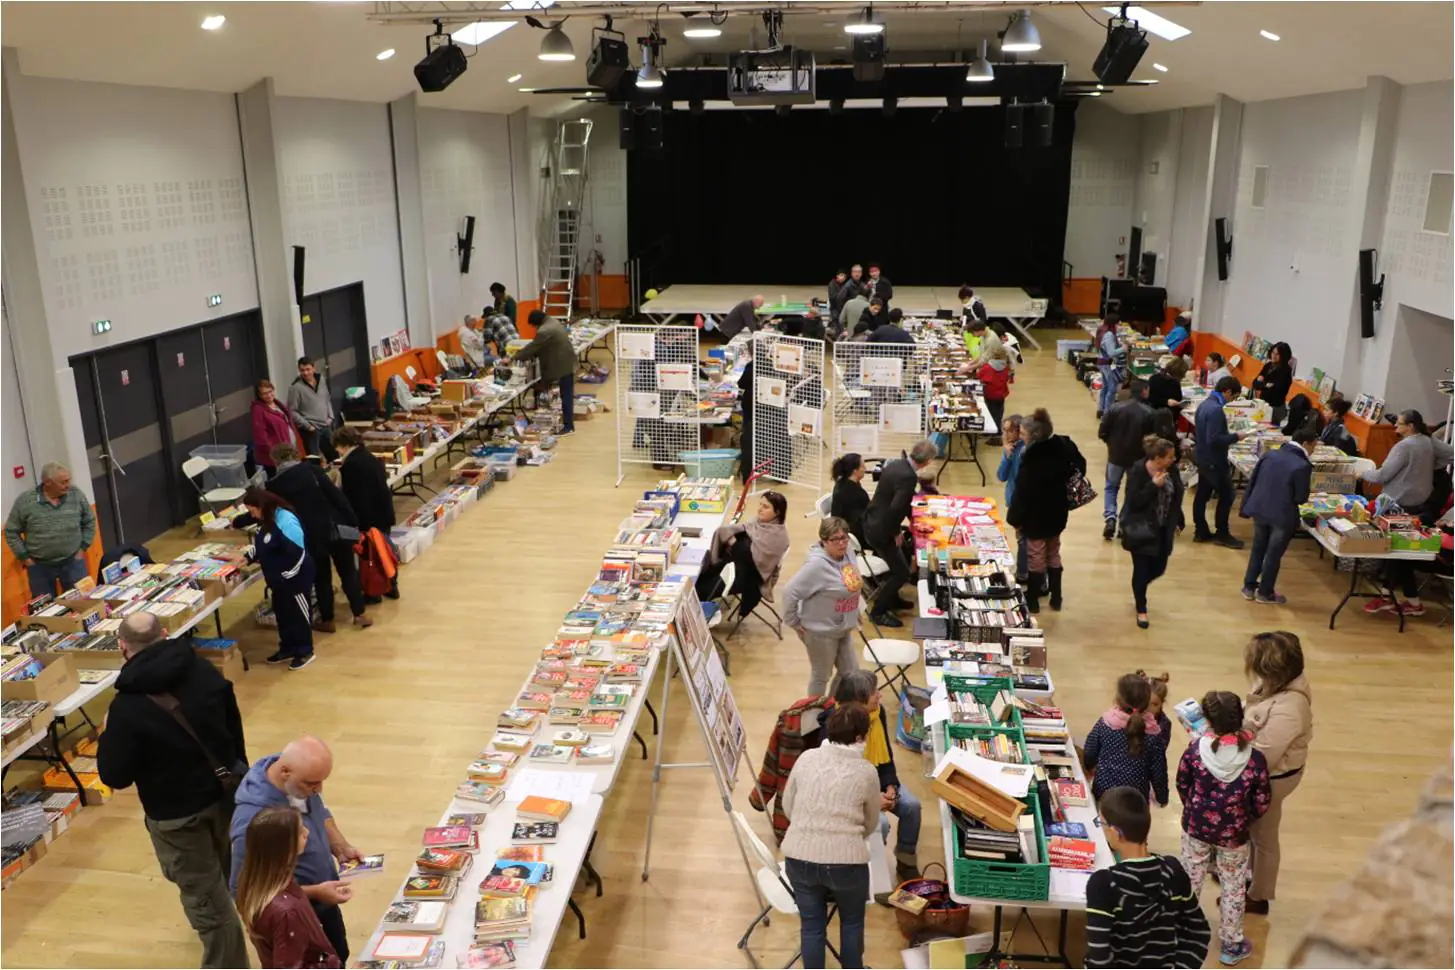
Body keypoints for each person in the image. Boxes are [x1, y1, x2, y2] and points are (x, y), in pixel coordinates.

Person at [96, 613, 250, 969]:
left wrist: (108, 735)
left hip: (176, 815)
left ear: (122, 647)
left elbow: (114, 776)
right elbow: (234, 728)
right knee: (236, 873)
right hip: (226, 793)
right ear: (165, 634)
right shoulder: (202, 669)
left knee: (206, 899)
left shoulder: (126, 707)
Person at [231, 736, 363, 965]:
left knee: (339, 956)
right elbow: (244, 891)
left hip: (323, 902)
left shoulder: (299, 783)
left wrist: (340, 846)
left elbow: (321, 813)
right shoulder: (253, 823)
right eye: (313, 784)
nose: (319, 789)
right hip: (297, 917)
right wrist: (313, 892)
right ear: (285, 772)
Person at [780, 703, 880, 970]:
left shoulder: (807, 758)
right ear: (860, 737)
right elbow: (871, 823)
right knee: (852, 922)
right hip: (846, 863)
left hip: (799, 859)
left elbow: (788, 806)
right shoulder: (867, 772)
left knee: (812, 927)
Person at [1176, 691, 1272, 967]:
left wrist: (1194, 810)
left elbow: (1182, 784)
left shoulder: (1195, 750)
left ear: (1207, 720)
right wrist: (1245, 818)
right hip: (1235, 835)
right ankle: (1231, 943)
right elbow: (1262, 800)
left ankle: (1182, 932)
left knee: (1190, 878)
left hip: (1196, 828)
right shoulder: (1255, 759)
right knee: (1232, 886)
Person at [1084, 786, 1211, 970]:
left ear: (1115, 832)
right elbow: (1198, 932)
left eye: (1101, 823)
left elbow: (1100, 956)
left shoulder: (1103, 884)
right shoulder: (1173, 871)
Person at [1242, 631, 1313, 915]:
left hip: (1274, 779)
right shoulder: (1277, 686)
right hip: (1267, 771)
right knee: (1254, 830)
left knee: (1264, 836)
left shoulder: (1291, 708)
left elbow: (1263, 757)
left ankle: (1259, 894)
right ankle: (1248, 873)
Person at [268, 443, 371, 633]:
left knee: (322, 577)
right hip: (334, 528)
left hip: (310, 535)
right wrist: (352, 521)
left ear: (276, 460)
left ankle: (328, 620)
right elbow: (337, 497)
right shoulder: (314, 471)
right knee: (348, 571)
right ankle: (360, 614)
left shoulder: (275, 485)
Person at [834, 670, 920, 886]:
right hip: (852, 794)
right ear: (859, 701)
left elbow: (886, 758)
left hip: (876, 782)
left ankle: (906, 861)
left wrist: (890, 784)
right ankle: (875, 876)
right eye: (874, 693)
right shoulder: (837, 725)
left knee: (912, 806)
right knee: (879, 824)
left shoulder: (877, 714)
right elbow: (841, 781)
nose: (880, 696)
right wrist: (873, 800)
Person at [235, 807, 342, 969]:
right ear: (285, 846)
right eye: (300, 832)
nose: (307, 832)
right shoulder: (287, 913)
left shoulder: (254, 884)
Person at [1006, 409, 1085, 614]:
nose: (1021, 437)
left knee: (1036, 556)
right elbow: (1079, 467)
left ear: (1034, 436)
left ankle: (1032, 600)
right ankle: (1056, 596)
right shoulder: (1063, 447)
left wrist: (1014, 518)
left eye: (1023, 434)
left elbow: (1022, 495)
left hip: (1036, 517)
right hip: (1058, 512)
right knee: (1054, 552)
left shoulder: (1032, 462)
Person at [782, 517, 863, 698]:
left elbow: (851, 582)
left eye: (844, 537)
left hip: (843, 627)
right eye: (835, 539)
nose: (842, 543)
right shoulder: (816, 566)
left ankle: (832, 707)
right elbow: (789, 592)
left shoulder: (848, 551)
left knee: (850, 673)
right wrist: (793, 622)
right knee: (822, 675)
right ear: (824, 541)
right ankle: (813, 714)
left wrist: (855, 610)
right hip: (821, 632)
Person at [1239, 425, 1317, 606]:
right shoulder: (1302, 466)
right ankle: (1265, 592)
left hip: (1260, 508)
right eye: (1314, 446)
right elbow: (1300, 498)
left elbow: (1254, 480)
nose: (1314, 450)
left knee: (1258, 548)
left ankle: (1249, 586)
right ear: (1306, 443)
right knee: (1273, 554)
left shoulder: (1270, 454)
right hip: (1282, 515)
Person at [240, 487, 317, 669]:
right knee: (283, 615)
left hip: (295, 580)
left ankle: (305, 651)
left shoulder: (286, 521)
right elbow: (263, 543)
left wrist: (286, 577)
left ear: (261, 506)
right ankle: (288, 648)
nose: (253, 516)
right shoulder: (266, 520)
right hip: (278, 582)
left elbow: (299, 554)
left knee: (299, 616)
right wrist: (248, 557)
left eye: (253, 511)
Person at [864, 440, 938, 627]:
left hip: (873, 521)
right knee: (901, 572)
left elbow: (901, 500)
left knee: (901, 564)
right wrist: (896, 531)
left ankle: (893, 599)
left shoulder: (897, 463)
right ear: (928, 461)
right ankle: (878, 612)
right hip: (882, 530)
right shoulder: (908, 477)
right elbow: (896, 507)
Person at [1120, 436, 1186, 629]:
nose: (1173, 460)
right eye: (1170, 457)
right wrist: (1152, 486)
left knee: (1159, 568)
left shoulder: (1171, 470)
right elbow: (1133, 502)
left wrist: (1179, 518)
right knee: (1141, 570)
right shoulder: (1138, 472)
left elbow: (1176, 496)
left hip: (1164, 528)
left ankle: (1138, 589)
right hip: (1142, 529)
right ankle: (1142, 609)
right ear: (1158, 458)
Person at [5, 461, 96, 597]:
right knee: (46, 612)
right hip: (39, 567)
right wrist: (25, 558)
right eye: (63, 482)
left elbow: (89, 521)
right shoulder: (26, 501)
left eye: (68, 481)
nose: (68, 485)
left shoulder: (75, 494)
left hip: (73, 562)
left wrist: (83, 548)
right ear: (48, 482)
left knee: (83, 603)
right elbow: (11, 532)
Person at [1083, 673, 1169, 809]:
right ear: (1147, 701)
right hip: (1136, 799)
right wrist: (1162, 797)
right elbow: (1159, 771)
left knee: (1104, 828)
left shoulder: (1106, 723)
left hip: (1104, 793)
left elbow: (1089, 750)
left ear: (1118, 698)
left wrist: (1089, 767)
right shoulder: (1153, 733)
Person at [333, 427, 399, 603]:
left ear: (343, 445)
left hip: (369, 518)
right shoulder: (368, 457)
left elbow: (357, 497)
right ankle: (391, 585)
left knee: (371, 558)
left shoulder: (351, 465)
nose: (338, 451)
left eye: (338, 447)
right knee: (385, 552)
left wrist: (361, 524)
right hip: (382, 513)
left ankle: (373, 592)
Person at [697, 492, 791, 614]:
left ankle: (697, 617)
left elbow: (753, 561)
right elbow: (744, 535)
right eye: (760, 504)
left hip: (751, 577)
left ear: (777, 512)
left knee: (701, 590)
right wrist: (731, 537)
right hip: (735, 564)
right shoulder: (758, 521)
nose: (760, 509)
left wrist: (733, 542)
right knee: (700, 576)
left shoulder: (778, 536)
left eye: (766, 507)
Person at [1192, 376, 1248, 549]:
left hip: (1202, 457)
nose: (1233, 401)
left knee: (1202, 494)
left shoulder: (1204, 405)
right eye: (1234, 397)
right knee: (1227, 495)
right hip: (1214, 460)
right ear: (1227, 391)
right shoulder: (1216, 410)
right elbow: (1214, 439)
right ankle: (1222, 532)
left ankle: (1200, 530)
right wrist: (1235, 436)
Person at [1098, 378, 1154, 540]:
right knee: (1132, 490)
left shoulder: (1114, 408)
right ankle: (1124, 522)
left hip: (1115, 455)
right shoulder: (1149, 413)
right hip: (1137, 458)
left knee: (1111, 487)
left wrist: (1111, 444)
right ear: (1144, 391)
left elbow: (1102, 432)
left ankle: (1110, 518)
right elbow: (1151, 439)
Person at [512, 309, 577, 435]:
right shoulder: (553, 321)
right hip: (567, 361)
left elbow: (533, 347)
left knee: (566, 396)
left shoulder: (544, 330)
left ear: (536, 322)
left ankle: (568, 427)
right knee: (566, 394)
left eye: (533, 325)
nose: (535, 328)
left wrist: (514, 358)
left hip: (563, 365)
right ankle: (568, 424)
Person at [286, 357, 336, 462]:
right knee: (314, 460)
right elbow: (292, 411)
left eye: (308, 369)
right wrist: (308, 426)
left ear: (314, 368)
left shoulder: (321, 380)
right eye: (302, 370)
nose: (305, 373)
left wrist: (331, 416)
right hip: (311, 430)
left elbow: (327, 398)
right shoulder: (295, 388)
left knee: (334, 455)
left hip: (326, 425)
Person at [996, 415, 1028, 581]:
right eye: (1004, 430)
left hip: (1022, 501)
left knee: (1023, 538)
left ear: (1018, 431)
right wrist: (1007, 455)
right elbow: (1001, 476)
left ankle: (1023, 572)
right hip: (1013, 500)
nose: (1006, 434)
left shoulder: (1024, 450)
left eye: (1009, 430)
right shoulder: (1010, 448)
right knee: (1020, 536)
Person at [251, 379, 301, 477]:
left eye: (270, 391)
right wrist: (274, 453)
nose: (269, 395)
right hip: (276, 457)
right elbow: (260, 436)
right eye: (264, 393)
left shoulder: (277, 404)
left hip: (288, 450)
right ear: (260, 396)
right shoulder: (258, 410)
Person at [830, 454, 870, 547]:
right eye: (863, 466)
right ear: (854, 471)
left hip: (855, 527)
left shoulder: (842, 483)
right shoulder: (852, 493)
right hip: (857, 534)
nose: (865, 469)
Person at [1250, 342, 1294, 424]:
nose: (1274, 356)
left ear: (1283, 356)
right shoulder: (1268, 365)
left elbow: (1275, 392)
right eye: (1273, 352)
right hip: (1264, 404)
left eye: (1277, 354)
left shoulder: (1286, 371)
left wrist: (1262, 384)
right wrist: (1266, 385)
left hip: (1275, 408)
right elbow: (1254, 383)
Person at [977, 345, 1013, 444]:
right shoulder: (1005, 368)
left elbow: (978, 376)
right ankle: (995, 433)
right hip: (1001, 395)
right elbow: (1008, 379)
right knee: (998, 414)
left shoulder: (987, 367)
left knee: (990, 414)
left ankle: (995, 436)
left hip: (990, 395)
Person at [1094, 313, 1126, 417]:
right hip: (1107, 364)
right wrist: (1123, 348)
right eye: (1118, 324)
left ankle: (1101, 409)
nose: (1118, 327)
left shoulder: (1102, 330)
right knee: (1111, 389)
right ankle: (1108, 414)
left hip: (1102, 363)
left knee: (1105, 387)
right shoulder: (1109, 335)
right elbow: (1111, 352)